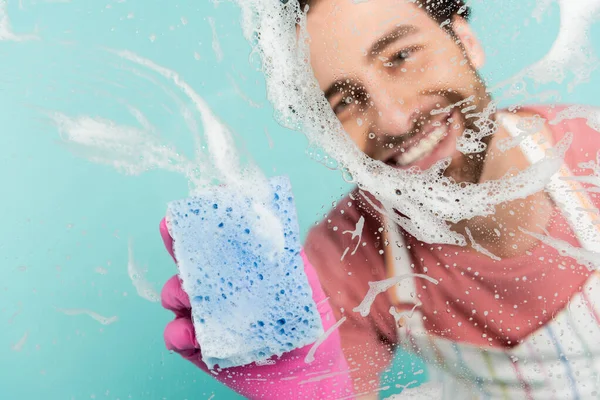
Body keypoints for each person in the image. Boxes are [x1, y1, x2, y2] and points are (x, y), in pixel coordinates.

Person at [160, 0, 600, 398]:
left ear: (464, 40)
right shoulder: (344, 261)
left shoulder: (593, 154)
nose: (393, 118)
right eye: (343, 103)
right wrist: (313, 392)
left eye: (401, 56)